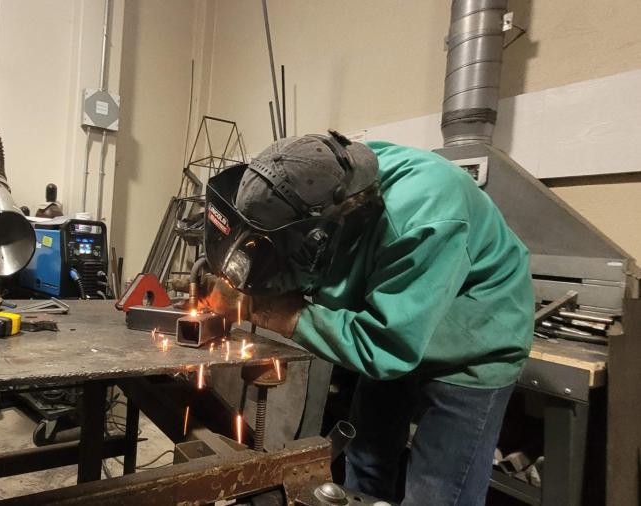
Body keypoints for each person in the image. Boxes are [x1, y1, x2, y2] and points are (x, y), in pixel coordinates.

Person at [201, 131, 533, 505]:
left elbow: (386, 347)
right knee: (365, 463)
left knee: (436, 492)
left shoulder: (424, 216)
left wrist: (269, 312)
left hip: (474, 342)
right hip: (391, 317)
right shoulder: (326, 175)